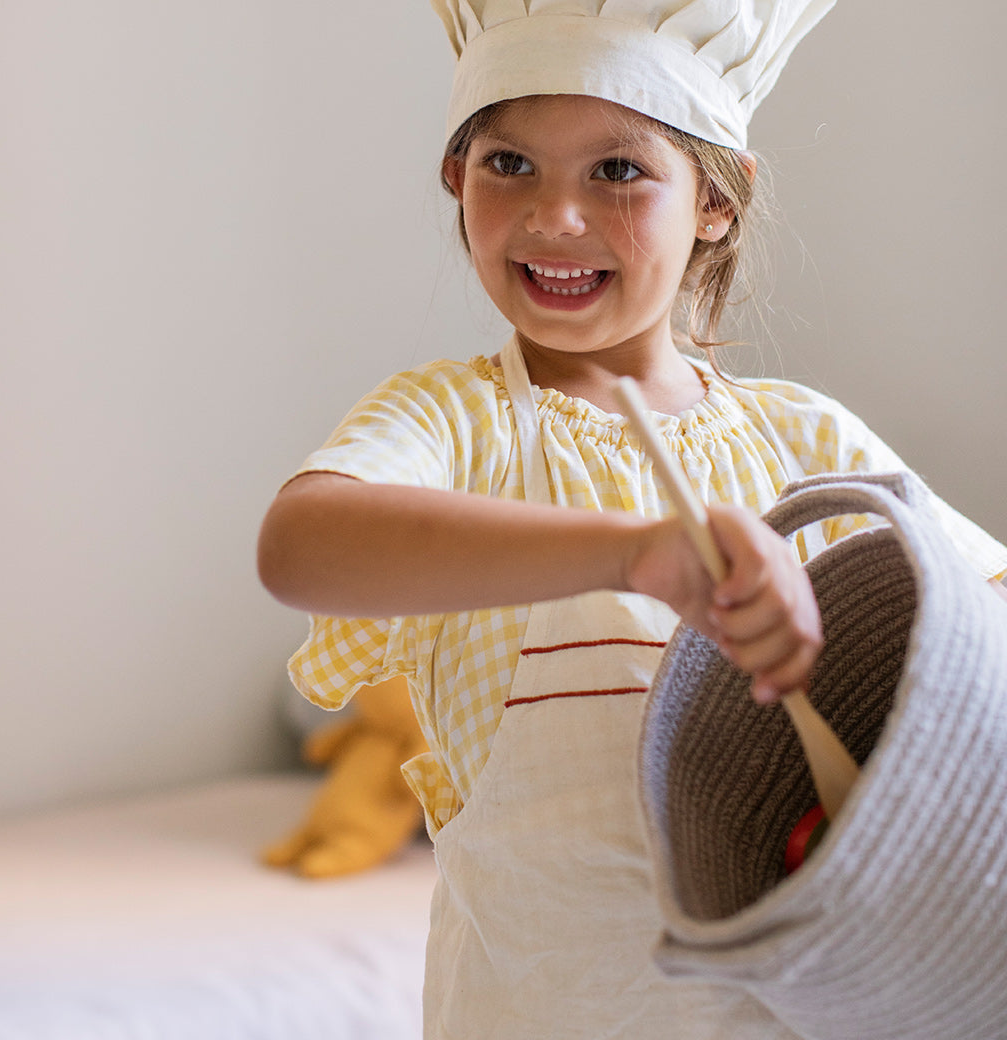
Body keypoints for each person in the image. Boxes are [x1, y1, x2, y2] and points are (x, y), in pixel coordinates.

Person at [258, 2, 1007, 1036]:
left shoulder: (805, 443)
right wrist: (632, 551)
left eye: (615, 171)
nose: (552, 216)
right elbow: (303, 549)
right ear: (453, 178)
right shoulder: (453, 421)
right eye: (507, 162)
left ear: (715, 200)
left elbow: (986, 623)